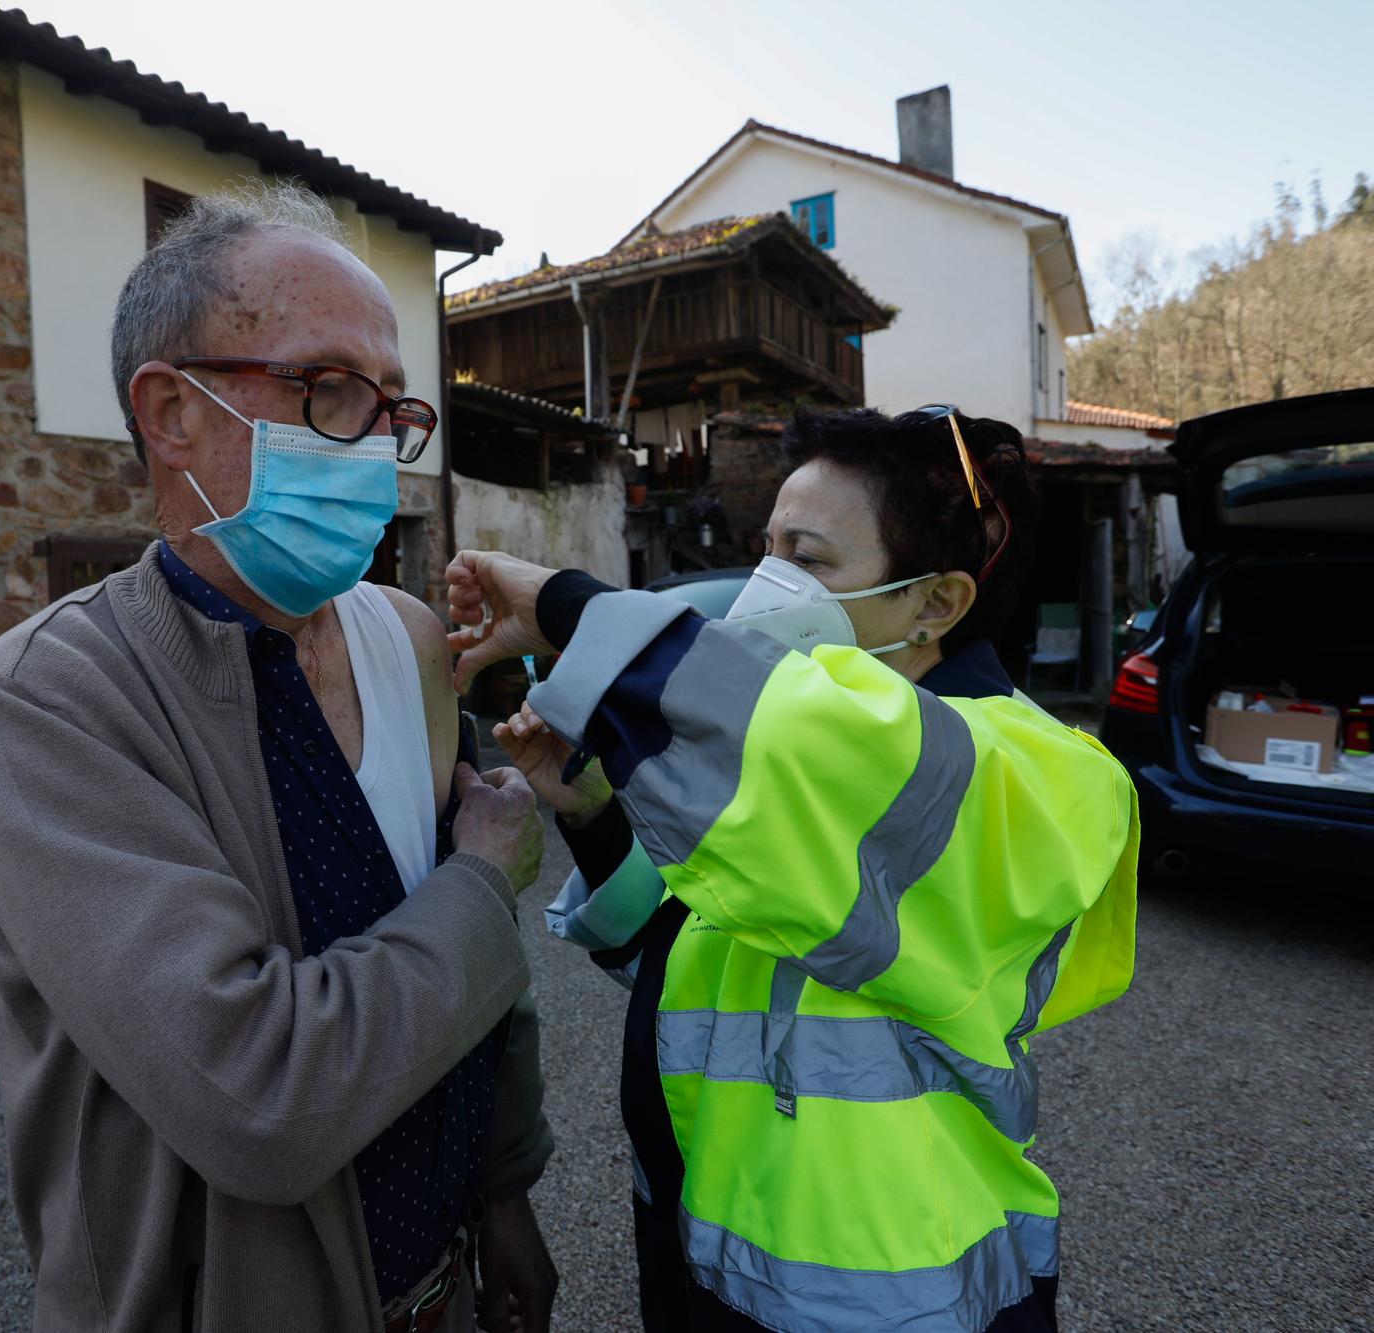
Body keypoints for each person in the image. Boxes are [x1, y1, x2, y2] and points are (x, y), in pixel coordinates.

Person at [0, 182, 558, 1333]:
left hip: (442, 1283)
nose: (377, 441)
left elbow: (480, 996)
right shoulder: (41, 704)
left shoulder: (411, 639)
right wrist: (487, 878)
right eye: (329, 389)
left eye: (391, 407)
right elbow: (257, 1096)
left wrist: (504, 1190)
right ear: (171, 414)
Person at [450, 406, 1140, 1332]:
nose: (772, 583)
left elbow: (827, 750)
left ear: (937, 601)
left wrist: (568, 607)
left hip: (896, 1295)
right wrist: (594, 814)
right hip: (712, 1258)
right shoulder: (793, 795)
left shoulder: (1045, 775)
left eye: (809, 561)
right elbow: (706, 952)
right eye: (767, 549)